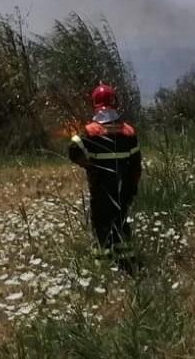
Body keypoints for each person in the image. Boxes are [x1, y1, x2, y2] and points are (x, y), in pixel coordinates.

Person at [68, 83, 142, 270]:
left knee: (101, 226)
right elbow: (136, 165)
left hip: (100, 190)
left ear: (95, 103)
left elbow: (73, 150)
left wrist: (88, 165)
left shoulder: (91, 131)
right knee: (122, 224)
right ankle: (127, 263)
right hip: (123, 190)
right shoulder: (128, 132)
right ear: (114, 102)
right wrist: (133, 187)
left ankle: (104, 266)